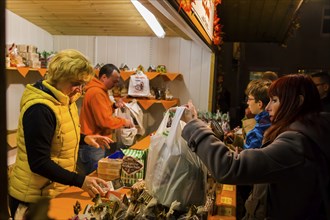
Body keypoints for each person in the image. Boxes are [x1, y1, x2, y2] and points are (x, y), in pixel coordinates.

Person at [182, 74, 330, 219]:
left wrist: (194, 124)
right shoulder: (307, 133)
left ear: (297, 102)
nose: (268, 108)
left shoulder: (296, 143)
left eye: (275, 100)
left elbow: (229, 167)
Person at [8, 49, 112, 217]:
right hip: (33, 198)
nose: (79, 89)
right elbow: (39, 162)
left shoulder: (65, 99)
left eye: (82, 84)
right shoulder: (40, 109)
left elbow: (57, 135)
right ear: (60, 77)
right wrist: (80, 180)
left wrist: (85, 139)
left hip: (53, 191)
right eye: (76, 83)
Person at [78, 63, 134, 175]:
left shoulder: (101, 91)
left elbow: (101, 112)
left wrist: (113, 106)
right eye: (114, 81)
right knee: (95, 179)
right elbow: (104, 122)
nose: (116, 84)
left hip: (96, 143)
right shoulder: (96, 92)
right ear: (104, 77)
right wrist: (124, 122)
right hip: (93, 145)